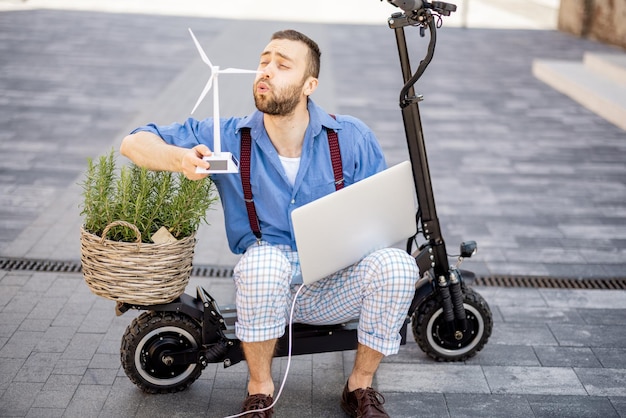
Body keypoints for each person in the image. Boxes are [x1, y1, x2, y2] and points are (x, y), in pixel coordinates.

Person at [121, 29, 417, 418]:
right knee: (263, 264)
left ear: (310, 84)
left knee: (398, 266)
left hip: (335, 285)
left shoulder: (351, 137)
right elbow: (134, 141)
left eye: (282, 65)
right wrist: (181, 159)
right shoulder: (226, 134)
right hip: (266, 286)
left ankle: (359, 387)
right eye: (263, 61)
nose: (265, 71)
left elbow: (380, 217)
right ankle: (259, 391)